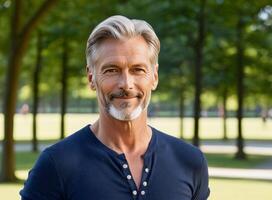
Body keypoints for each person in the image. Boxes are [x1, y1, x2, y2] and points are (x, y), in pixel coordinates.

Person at [20, 15, 210, 200]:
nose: (126, 84)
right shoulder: (56, 165)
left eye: (138, 70)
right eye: (111, 70)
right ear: (91, 78)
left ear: (154, 76)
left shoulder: (190, 162)